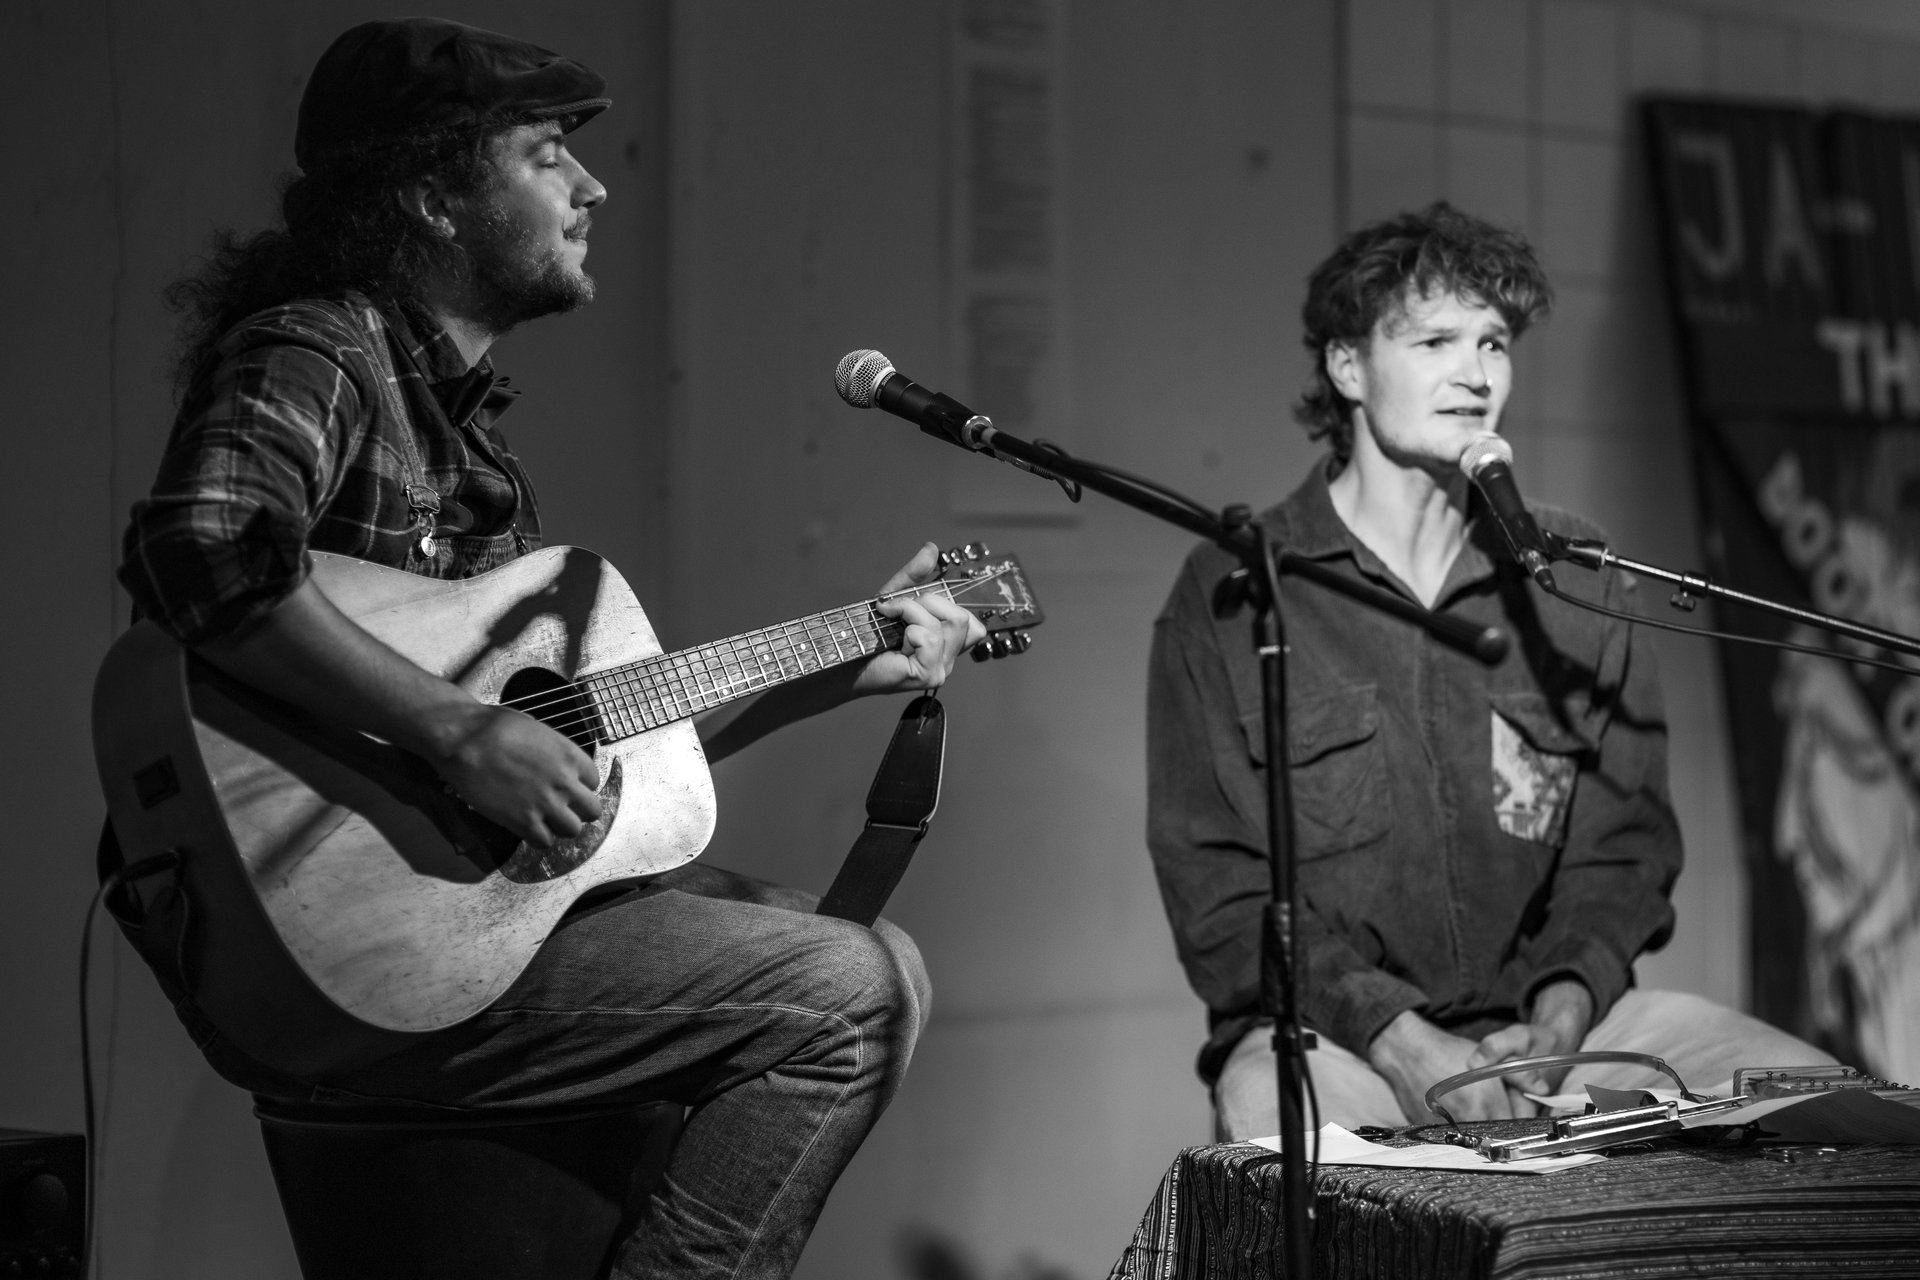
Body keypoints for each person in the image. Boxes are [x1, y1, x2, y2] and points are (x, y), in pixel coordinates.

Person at [112, 18, 983, 1278]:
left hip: (437, 932)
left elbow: (589, 744)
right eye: (545, 158)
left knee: (856, 959)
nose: (593, 185)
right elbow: (204, 548)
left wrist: (846, 663)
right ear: (431, 195)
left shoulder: (470, 445)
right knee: (850, 994)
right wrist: (463, 732)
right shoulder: (318, 347)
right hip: (304, 947)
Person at [1145, 202, 1830, 1139]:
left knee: (1829, 1105)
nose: (1475, 374)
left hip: (1567, 1031)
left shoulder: (1575, 576)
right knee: (1295, 1137)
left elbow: (1625, 846)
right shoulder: (1235, 586)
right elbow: (1218, 893)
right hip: (1337, 1040)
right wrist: (1401, 1040)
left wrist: (1560, 1011)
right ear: (1348, 367)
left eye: (1495, 343)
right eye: (1435, 341)